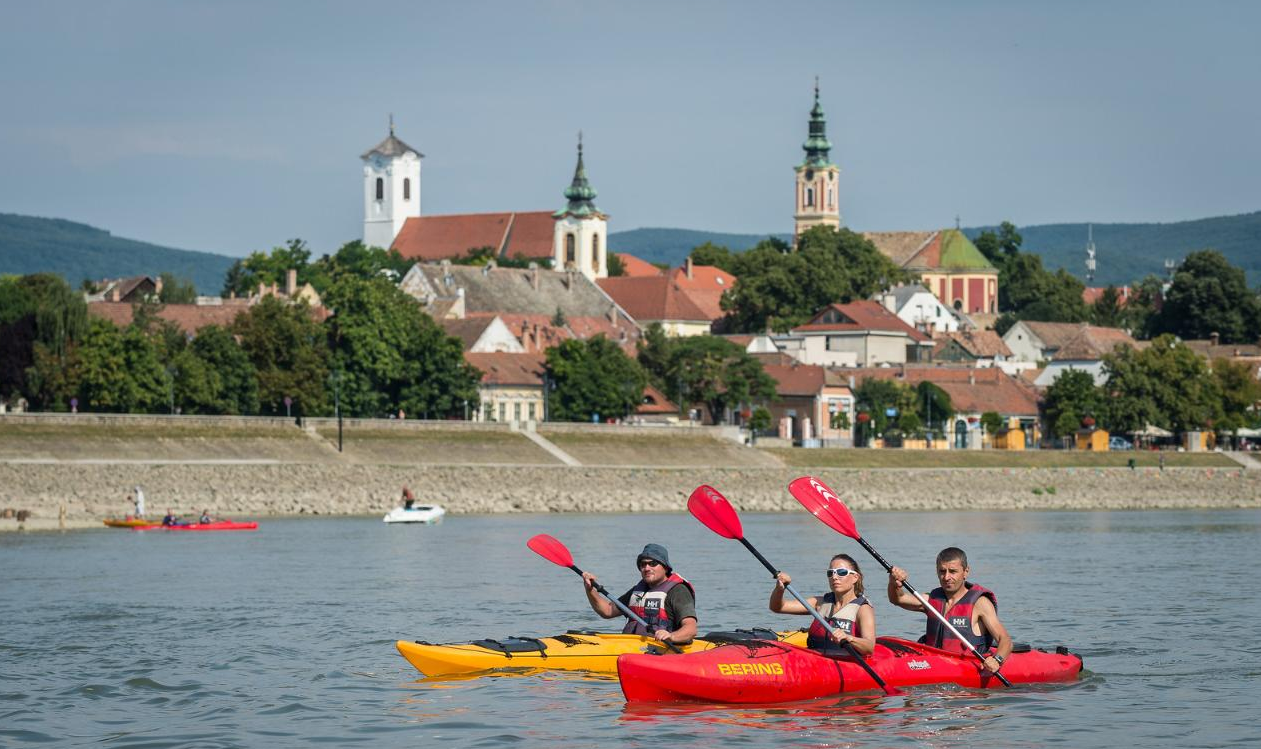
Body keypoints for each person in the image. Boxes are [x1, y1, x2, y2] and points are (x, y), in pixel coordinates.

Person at [887, 547, 1012, 675]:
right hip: (933, 664)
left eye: (952, 571)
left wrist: (997, 660)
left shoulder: (980, 603)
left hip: (968, 667)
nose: (946, 577)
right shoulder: (931, 600)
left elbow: (1005, 640)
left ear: (966, 571)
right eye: (942, 571)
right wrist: (894, 582)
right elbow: (898, 599)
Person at [582, 543, 697, 646]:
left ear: (665, 567)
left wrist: (671, 636)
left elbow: (691, 628)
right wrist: (590, 589)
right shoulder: (638, 591)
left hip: (663, 648)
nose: (647, 568)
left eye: (653, 563)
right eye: (643, 564)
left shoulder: (678, 591)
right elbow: (607, 611)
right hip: (632, 647)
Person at [770, 553, 875, 657]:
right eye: (830, 573)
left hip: (845, 663)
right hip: (814, 660)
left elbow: (869, 647)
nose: (834, 577)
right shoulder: (819, 603)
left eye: (841, 572)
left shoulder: (862, 609)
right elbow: (778, 607)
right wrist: (780, 589)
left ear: (855, 577)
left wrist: (849, 638)